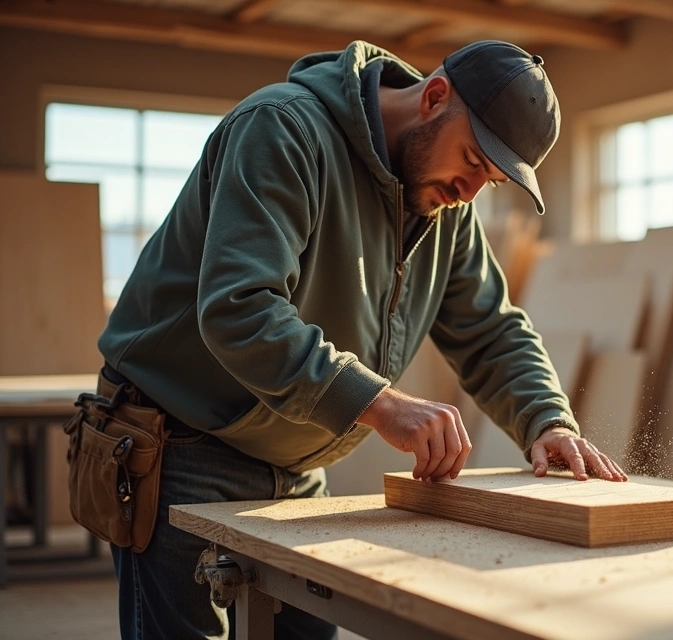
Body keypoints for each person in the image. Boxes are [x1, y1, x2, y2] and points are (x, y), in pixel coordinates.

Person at [86, 39, 627, 640]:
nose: (470, 190)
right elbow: (240, 309)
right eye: (473, 160)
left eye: (492, 181)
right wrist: (381, 404)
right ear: (436, 96)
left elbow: (491, 330)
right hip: (182, 439)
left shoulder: (447, 208)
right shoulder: (284, 129)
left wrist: (547, 421)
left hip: (297, 461)